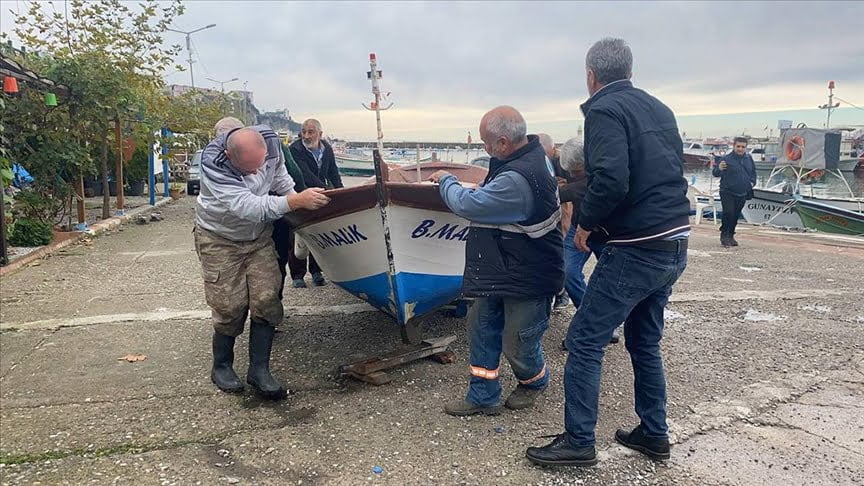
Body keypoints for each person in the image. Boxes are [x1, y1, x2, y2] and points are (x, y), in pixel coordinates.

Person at [526, 38, 690, 467]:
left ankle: (579, 441)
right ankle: (654, 433)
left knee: (584, 340)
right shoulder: (659, 109)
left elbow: (612, 179)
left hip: (637, 248)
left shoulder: (603, 109)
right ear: (630, 71)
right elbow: (669, 168)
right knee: (644, 342)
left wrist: (585, 223)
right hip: (674, 241)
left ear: (591, 76)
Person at [429, 106, 563, 416]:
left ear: (503, 142)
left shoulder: (518, 177)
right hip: (501, 267)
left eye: (486, 143)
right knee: (481, 327)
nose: (484, 148)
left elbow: (468, 204)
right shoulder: (526, 156)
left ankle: (534, 381)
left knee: (518, 342)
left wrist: (447, 181)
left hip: (529, 276)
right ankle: (483, 394)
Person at [195, 124, 330, 399]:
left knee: (267, 296)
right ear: (229, 156)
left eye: (260, 166)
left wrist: (294, 195)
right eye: (249, 169)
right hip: (220, 238)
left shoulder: (271, 143)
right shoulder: (214, 165)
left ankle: (260, 370)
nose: (257, 174)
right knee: (229, 304)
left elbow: (279, 176)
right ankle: (221, 365)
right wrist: (294, 204)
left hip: (258, 238)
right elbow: (249, 207)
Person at [288, 119, 343, 287]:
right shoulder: (295, 150)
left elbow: (333, 171)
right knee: (297, 235)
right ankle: (297, 275)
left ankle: (316, 270)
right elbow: (304, 174)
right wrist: (326, 189)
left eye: (310, 132)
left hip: (320, 196)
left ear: (320, 134)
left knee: (319, 233)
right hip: (300, 195)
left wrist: (340, 191)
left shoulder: (326, 149)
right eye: (303, 132)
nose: (306, 135)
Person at [538, 133, 571, 311]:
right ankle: (556, 293)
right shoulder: (540, 160)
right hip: (548, 210)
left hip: (563, 211)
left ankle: (561, 293)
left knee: (560, 253)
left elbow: (571, 187)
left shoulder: (562, 162)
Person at [713, 136, 756, 248]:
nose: (740, 149)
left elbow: (753, 172)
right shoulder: (726, 159)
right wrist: (719, 169)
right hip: (727, 191)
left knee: (736, 214)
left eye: (743, 147)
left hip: (742, 191)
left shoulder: (748, 158)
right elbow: (715, 173)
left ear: (746, 147)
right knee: (728, 212)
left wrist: (752, 182)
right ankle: (724, 235)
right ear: (734, 146)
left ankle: (731, 235)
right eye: (738, 146)